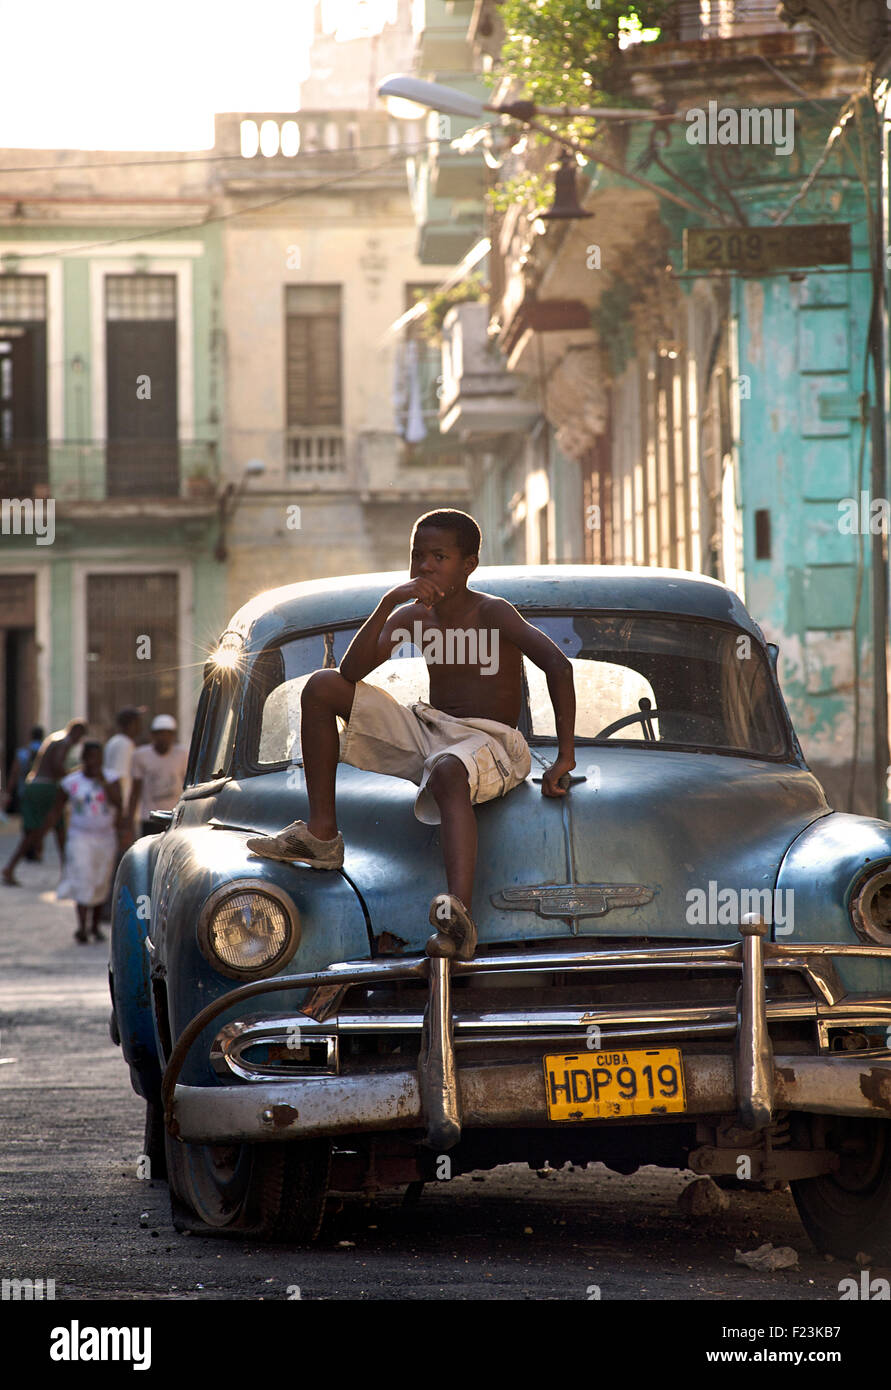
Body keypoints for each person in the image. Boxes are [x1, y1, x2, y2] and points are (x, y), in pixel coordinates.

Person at [247, 508, 576, 960]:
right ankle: (323, 835)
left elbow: (557, 665)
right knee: (322, 687)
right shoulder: (412, 616)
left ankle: (459, 918)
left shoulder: (493, 612)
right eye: (418, 556)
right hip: (433, 729)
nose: (425, 567)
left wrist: (565, 755)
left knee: (445, 770)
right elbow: (351, 671)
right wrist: (389, 603)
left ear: (469, 565)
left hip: (493, 743)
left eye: (439, 557)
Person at [40, 740, 124, 943]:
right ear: (84, 758)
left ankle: (95, 926)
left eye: (98, 758)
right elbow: (56, 810)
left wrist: (103, 781)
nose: (95, 762)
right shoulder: (70, 782)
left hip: (105, 837)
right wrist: (41, 836)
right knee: (82, 877)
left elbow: (119, 803)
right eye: (91, 757)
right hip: (80, 836)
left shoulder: (111, 778)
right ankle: (81, 927)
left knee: (100, 880)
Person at [3, 719, 86, 885]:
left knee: (59, 830)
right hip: (45, 788)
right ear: (76, 732)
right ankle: (10, 867)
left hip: (39, 786)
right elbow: (56, 767)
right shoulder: (64, 742)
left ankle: (68, 873)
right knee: (39, 831)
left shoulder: (56, 739)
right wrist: (74, 774)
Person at [97, 706, 143, 922]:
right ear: (128, 724)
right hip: (121, 813)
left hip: (119, 812)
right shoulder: (124, 744)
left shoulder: (117, 742)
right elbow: (118, 780)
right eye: (136, 723)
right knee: (120, 860)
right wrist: (125, 818)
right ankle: (109, 907)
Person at [126, 714, 188, 839]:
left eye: (168, 733)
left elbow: (188, 786)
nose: (164, 738)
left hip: (175, 817)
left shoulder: (183, 755)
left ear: (173, 735)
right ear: (153, 735)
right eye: (160, 733)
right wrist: (129, 821)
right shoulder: (140, 755)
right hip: (150, 818)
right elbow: (135, 790)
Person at [4, 725, 44, 819]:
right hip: (41, 790)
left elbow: (14, 773)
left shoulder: (22, 753)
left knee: (26, 818)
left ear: (30, 736)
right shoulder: (45, 752)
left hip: (24, 790)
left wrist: (9, 792)